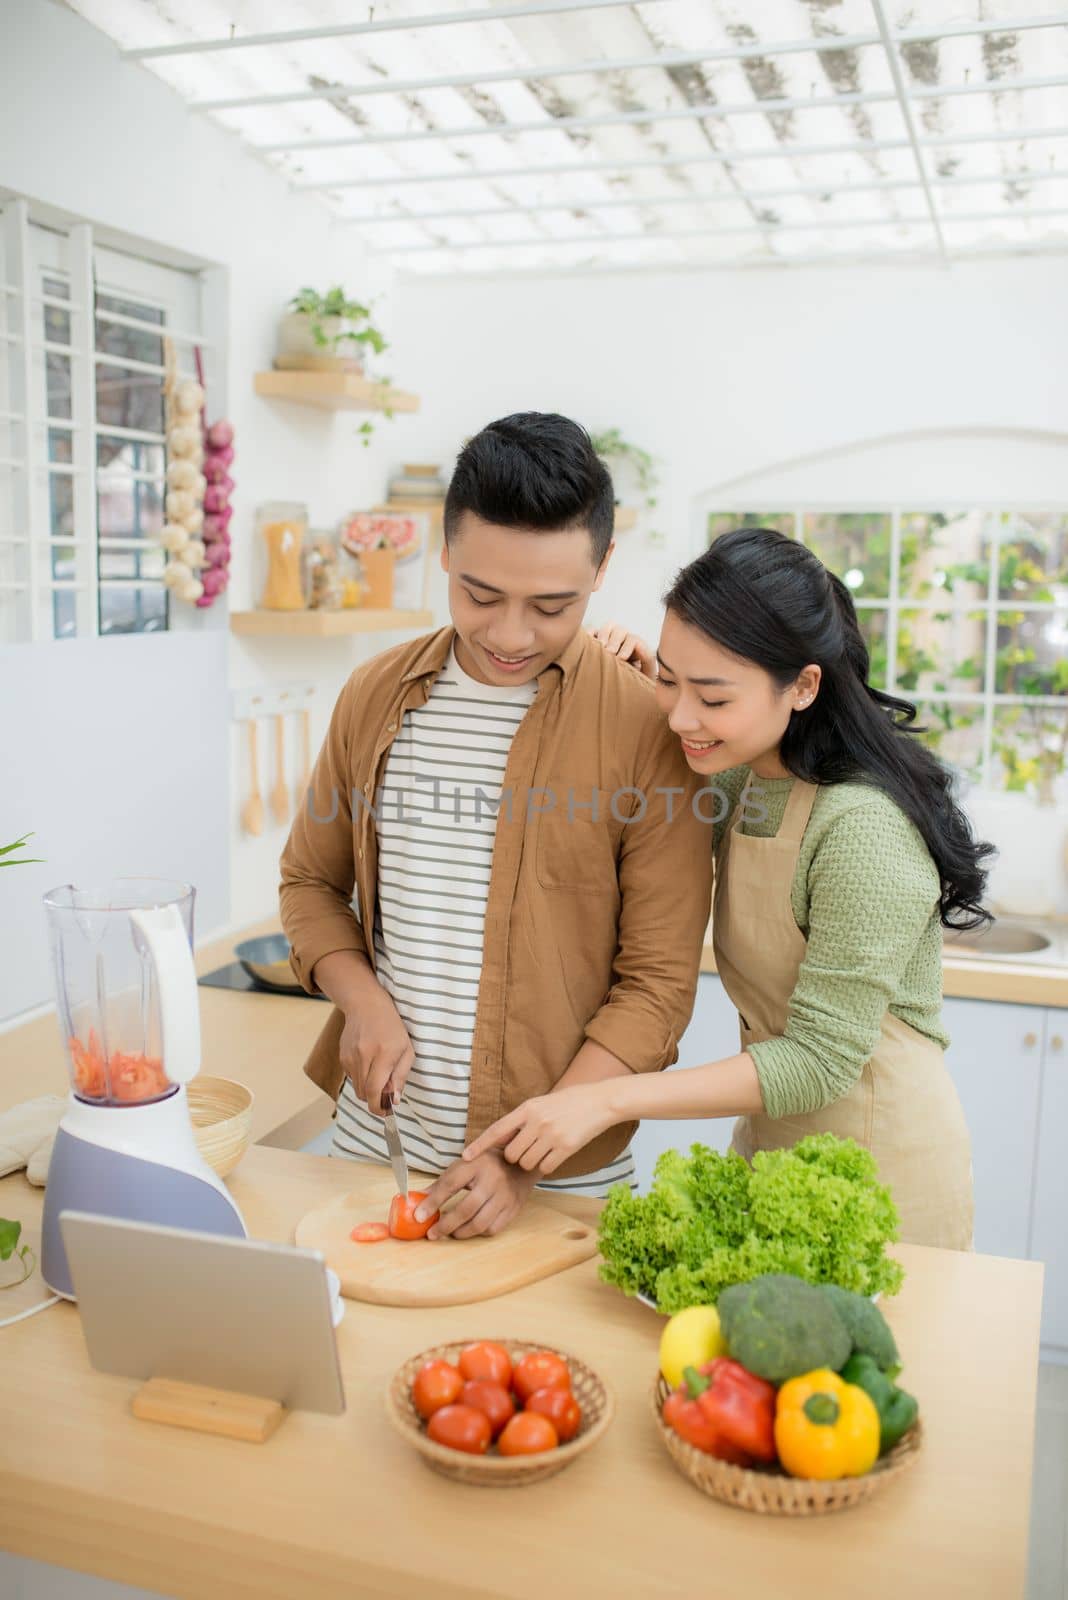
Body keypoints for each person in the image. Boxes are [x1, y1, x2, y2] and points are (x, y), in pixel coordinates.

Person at [465, 527, 995, 1250]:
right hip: (772, 1149)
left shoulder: (864, 828)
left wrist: (601, 1100)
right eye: (671, 681)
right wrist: (628, 679)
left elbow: (818, 1059)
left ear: (804, 685)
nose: (681, 716)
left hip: (884, 1170)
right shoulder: (743, 779)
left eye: (712, 696)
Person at [279, 413, 711, 1239]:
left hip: (561, 1187)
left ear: (604, 568)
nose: (511, 635)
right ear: (443, 551)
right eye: (481, 595)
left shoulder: (646, 728)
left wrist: (521, 1156)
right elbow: (308, 884)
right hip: (373, 1152)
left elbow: (655, 988)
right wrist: (361, 997)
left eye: (553, 605)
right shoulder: (372, 696)